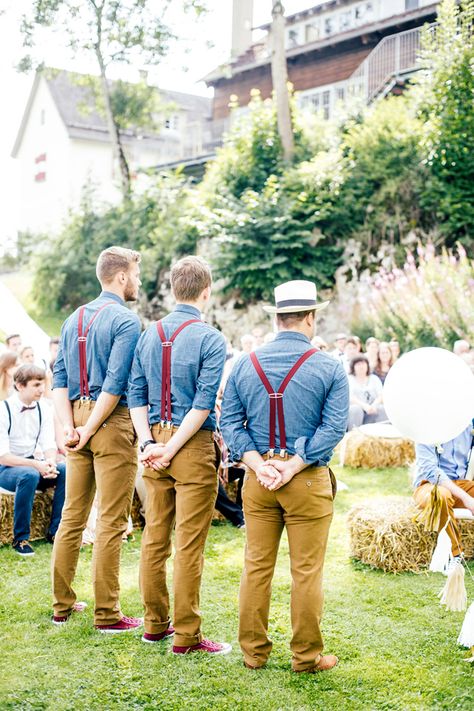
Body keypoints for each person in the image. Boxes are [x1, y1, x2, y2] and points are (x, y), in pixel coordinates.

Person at [221, 279, 349, 673]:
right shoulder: (329, 367)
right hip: (306, 479)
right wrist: (293, 465)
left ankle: (253, 654)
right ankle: (306, 657)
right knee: (306, 572)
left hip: (259, 482)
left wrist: (260, 465)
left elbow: (229, 421)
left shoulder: (245, 363)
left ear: (277, 318)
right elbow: (334, 427)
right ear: (310, 318)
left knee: (256, 567)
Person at [129, 255, 231, 655]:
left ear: (174, 289)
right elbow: (204, 404)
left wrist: (148, 444)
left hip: (153, 443)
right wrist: (170, 448)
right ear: (206, 291)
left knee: (155, 538)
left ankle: (155, 625)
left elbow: (135, 395)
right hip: (189, 447)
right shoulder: (210, 338)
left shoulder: (147, 334)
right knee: (188, 544)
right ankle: (186, 636)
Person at [51, 246, 142, 632]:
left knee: (72, 515)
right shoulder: (126, 320)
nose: (138, 281)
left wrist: (68, 427)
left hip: (75, 418)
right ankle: (107, 614)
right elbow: (116, 383)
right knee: (110, 518)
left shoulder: (73, 319)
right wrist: (88, 429)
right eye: (136, 274)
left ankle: (62, 605)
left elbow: (58, 378)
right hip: (109, 423)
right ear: (121, 277)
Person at [0, 365, 66, 556]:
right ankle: (20, 539)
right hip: (5, 468)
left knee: (64, 470)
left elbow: (48, 443)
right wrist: (37, 465)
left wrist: (50, 463)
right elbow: (3, 455)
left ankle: (55, 532)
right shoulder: (4, 410)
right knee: (29, 475)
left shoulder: (44, 408)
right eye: (36, 385)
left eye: (43, 384)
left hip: (31, 463)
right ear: (20, 386)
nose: (41, 389)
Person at [414, 424, 474, 561]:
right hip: (430, 486)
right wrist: (466, 498)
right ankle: (455, 555)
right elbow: (431, 472)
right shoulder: (424, 428)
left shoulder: (467, 424)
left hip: (460, 483)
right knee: (440, 496)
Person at [347, 355, 386, 430]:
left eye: (363, 363)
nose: (361, 366)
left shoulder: (374, 378)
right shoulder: (350, 379)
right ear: (353, 367)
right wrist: (365, 406)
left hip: (372, 410)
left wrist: (374, 405)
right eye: (358, 364)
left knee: (382, 409)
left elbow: (381, 395)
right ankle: (354, 435)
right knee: (356, 409)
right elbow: (350, 397)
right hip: (357, 410)